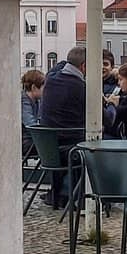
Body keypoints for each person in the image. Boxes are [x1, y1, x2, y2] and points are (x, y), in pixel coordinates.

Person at [37, 45, 89, 208]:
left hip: (48, 147)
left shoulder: (50, 79)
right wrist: (109, 105)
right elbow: (106, 120)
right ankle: (89, 196)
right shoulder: (80, 87)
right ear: (84, 66)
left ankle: (60, 193)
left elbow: (59, 65)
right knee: (104, 142)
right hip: (70, 148)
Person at [20, 68, 44, 156]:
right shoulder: (23, 101)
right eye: (43, 88)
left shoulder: (37, 101)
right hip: (25, 143)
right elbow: (31, 125)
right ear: (34, 87)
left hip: (30, 140)